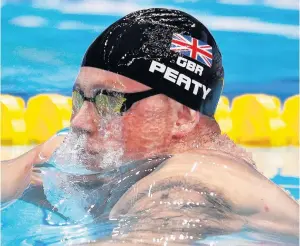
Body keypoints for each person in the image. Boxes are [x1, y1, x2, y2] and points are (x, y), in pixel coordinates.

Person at [1, 8, 298, 245]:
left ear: (182, 117)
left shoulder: (191, 181)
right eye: (80, 98)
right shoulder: (92, 161)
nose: (79, 122)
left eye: (111, 101)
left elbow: (157, 231)